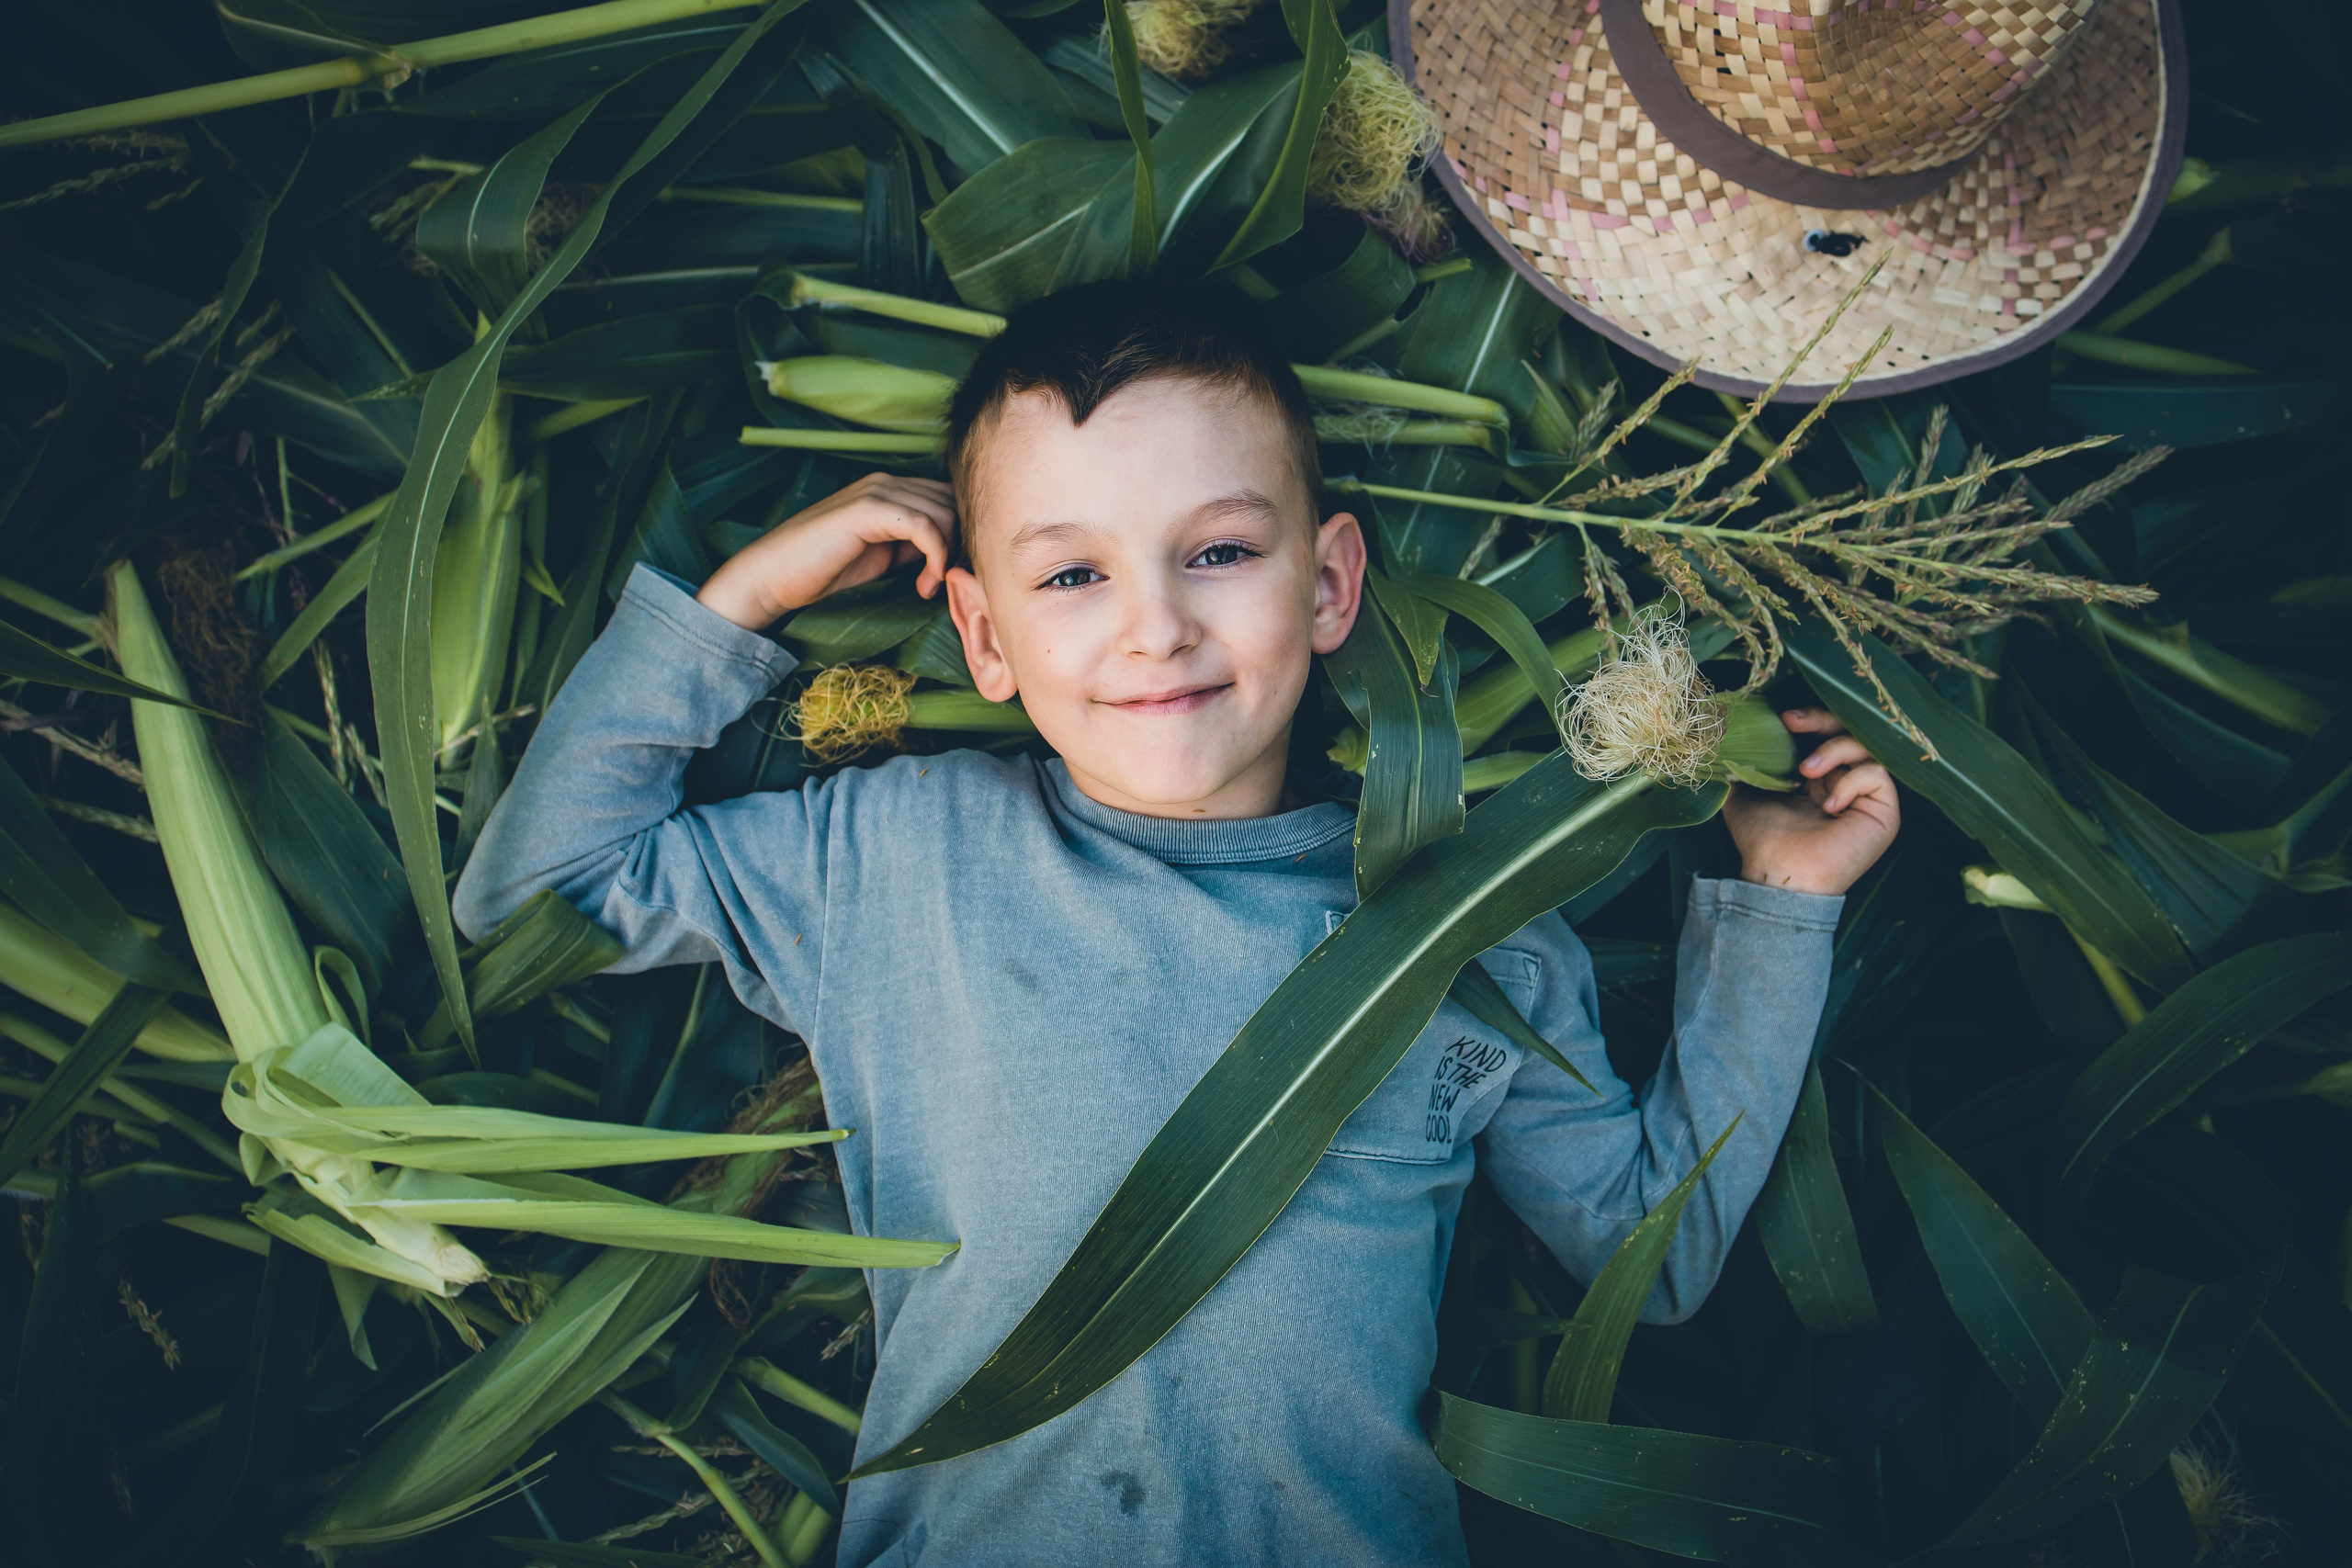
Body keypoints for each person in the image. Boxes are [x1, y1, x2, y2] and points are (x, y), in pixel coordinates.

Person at [456, 282, 1900, 1567]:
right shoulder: (898, 857)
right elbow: (538, 897)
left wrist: (1782, 908)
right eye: (1072, 576)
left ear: (1329, 583)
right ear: (983, 638)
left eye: (1217, 553)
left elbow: (1648, 1250)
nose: (1153, 627)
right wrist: (741, 605)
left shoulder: (1466, 935)